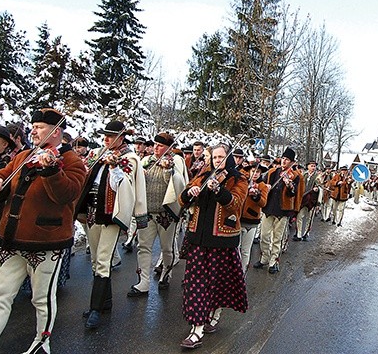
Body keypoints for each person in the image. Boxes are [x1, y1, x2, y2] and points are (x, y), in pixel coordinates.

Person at [0, 108, 86, 354]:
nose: (33, 130)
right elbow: (3, 174)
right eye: (33, 126)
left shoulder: (73, 161)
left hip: (46, 241)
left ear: (56, 132)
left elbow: (67, 194)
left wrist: (52, 171)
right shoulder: (23, 155)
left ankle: (42, 343)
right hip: (9, 238)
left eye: (40, 127)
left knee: (41, 298)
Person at [75, 120, 148, 329]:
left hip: (110, 216)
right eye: (104, 136)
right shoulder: (99, 154)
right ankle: (104, 302)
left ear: (121, 137)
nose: (105, 139)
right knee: (96, 260)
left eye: (109, 136)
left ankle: (95, 309)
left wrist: (114, 167)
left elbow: (127, 187)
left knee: (104, 259)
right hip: (92, 213)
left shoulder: (130, 159)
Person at [177, 143, 248, 349]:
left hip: (222, 241)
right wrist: (191, 193)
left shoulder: (238, 178)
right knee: (196, 284)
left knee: (216, 283)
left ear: (228, 158)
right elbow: (183, 199)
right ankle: (196, 328)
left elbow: (235, 203)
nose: (217, 161)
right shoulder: (203, 174)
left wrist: (218, 189)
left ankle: (213, 315)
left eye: (220, 157)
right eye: (214, 157)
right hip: (198, 239)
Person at [128, 132, 188, 297]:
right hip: (146, 212)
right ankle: (143, 281)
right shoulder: (146, 161)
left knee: (167, 249)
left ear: (168, 148)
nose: (155, 147)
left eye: (160, 145)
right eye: (154, 144)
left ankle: (166, 275)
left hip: (166, 214)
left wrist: (167, 171)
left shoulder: (176, 161)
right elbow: (135, 181)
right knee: (143, 247)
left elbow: (178, 185)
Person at [253, 147, 304, 274]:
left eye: (287, 160)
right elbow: (262, 183)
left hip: (283, 210)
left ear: (292, 162)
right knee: (264, 236)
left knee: (277, 238)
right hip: (269, 207)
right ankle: (264, 258)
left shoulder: (295, 176)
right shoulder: (272, 172)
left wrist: (289, 184)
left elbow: (293, 193)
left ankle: (273, 261)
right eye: (283, 158)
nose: (284, 161)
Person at [239, 162, 269, 272]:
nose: (255, 174)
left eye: (257, 172)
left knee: (245, 251)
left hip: (251, 222)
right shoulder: (243, 182)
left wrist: (256, 195)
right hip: (238, 220)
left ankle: (242, 273)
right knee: (236, 249)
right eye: (253, 171)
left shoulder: (262, 186)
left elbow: (263, 203)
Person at [294, 160, 320, 241]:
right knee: (299, 216)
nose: (313, 167)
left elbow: (321, 186)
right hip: (303, 199)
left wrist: (317, 188)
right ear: (308, 166)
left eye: (314, 166)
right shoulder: (303, 175)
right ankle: (298, 234)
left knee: (309, 218)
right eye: (311, 166)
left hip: (312, 200)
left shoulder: (318, 176)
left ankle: (306, 233)